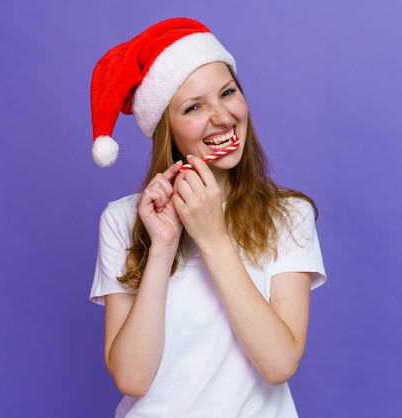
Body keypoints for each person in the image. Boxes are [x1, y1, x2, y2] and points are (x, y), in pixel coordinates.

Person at [88, 17, 327, 418]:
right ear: (169, 130)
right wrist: (163, 245)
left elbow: (279, 363)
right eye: (194, 106)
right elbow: (133, 378)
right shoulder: (122, 219)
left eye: (228, 92)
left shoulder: (289, 215)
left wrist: (213, 237)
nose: (221, 116)